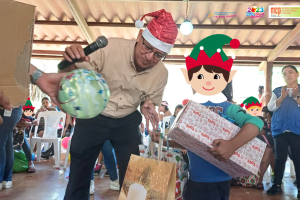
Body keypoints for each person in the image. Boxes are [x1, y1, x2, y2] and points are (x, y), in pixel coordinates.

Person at [28, 9, 178, 200]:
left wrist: (146, 105)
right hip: (93, 117)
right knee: (79, 175)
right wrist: (69, 58)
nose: (150, 58)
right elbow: (69, 71)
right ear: (140, 35)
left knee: (135, 178)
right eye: (148, 48)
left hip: (127, 120)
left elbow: (147, 101)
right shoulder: (110, 48)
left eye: (158, 55)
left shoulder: (161, 74)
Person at [155, 34, 263, 200]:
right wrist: (163, 140)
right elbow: (186, 140)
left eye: (215, 76)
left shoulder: (228, 108)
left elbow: (255, 122)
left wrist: (232, 145)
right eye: (200, 76)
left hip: (220, 180)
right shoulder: (189, 109)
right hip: (195, 178)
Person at [267, 65, 300, 198]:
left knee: (298, 158)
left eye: (290, 72)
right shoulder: (277, 90)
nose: (288, 75)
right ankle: (277, 185)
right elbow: (270, 107)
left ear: (297, 74)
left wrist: (296, 97)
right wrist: (281, 97)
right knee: (279, 158)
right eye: (285, 73)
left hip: (297, 129)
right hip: (280, 129)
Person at [0, 91, 22, 190]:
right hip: (15, 108)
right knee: (6, 142)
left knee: (1, 142)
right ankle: (6, 179)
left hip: (6, 107)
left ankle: (1, 179)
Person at [15, 98, 38, 173]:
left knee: (23, 137)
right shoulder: (15, 114)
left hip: (20, 133)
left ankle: (30, 162)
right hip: (11, 132)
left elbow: (36, 121)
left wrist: (32, 122)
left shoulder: (28, 117)